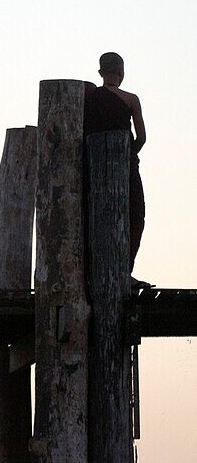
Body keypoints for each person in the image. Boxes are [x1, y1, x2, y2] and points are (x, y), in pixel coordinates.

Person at [84, 52, 148, 288]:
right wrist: (128, 154)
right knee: (135, 215)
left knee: (91, 215)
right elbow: (141, 138)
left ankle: (90, 270)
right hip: (125, 165)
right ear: (121, 72)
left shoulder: (89, 98)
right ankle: (124, 270)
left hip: (91, 165)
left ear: (100, 72)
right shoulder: (130, 99)